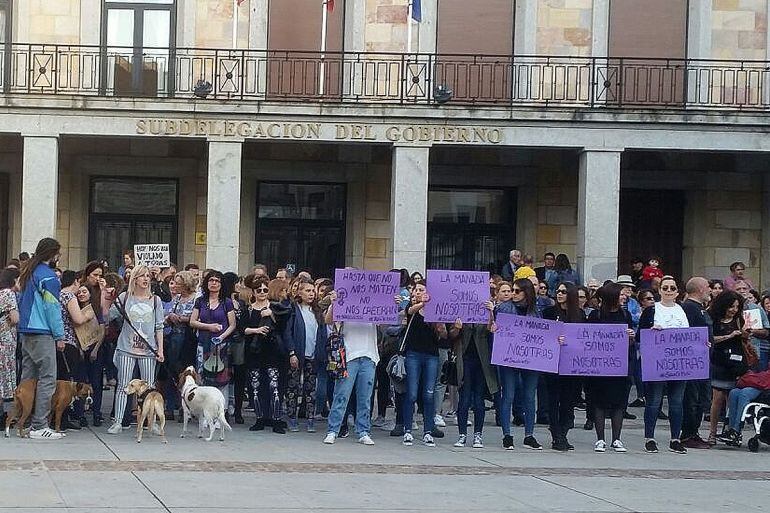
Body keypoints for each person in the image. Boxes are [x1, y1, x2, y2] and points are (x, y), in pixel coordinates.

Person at [16, 238, 66, 440]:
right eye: (58, 254)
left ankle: (23, 420)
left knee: (27, 379)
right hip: (42, 332)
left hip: (26, 331)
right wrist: (59, 335)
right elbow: (52, 308)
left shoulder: (28, 273)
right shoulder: (49, 277)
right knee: (47, 378)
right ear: (53, 254)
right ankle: (39, 425)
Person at [106, 264, 165, 434]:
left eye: (148, 276)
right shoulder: (125, 297)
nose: (146, 279)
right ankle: (118, 421)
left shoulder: (155, 300)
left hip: (148, 350)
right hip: (126, 348)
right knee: (124, 385)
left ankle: (150, 422)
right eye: (142, 276)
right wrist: (108, 300)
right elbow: (109, 315)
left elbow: (159, 326)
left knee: (149, 388)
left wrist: (160, 349)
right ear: (135, 279)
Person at [636, 276, 690, 454]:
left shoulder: (682, 310)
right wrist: (651, 332)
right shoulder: (652, 310)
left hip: (678, 363)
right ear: (659, 291)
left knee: (676, 402)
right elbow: (639, 336)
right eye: (665, 288)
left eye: (672, 288)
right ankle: (649, 438)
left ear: (677, 292)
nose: (668, 291)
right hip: (657, 363)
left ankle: (675, 438)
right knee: (654, 401)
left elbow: (691, 336)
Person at [322, 289, 379, 446]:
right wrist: (334, 303)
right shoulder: (343, 301)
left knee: (365, 397)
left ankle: (363, 430)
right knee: (341, 394)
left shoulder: (373, 301)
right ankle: (333, 429)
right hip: (348, 355)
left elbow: (385, 321)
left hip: (369, 354)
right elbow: (328, 320)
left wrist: (390, 305)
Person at [494, 278, 543, 450]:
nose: (512, 294)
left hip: (530, 359)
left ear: (526, 293)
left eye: (516, 291)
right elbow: (494, 330)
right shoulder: (503, 308)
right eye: (512, 290)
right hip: (508, 357)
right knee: (508, 395)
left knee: (530, 396)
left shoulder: (536, 312)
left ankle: (529, 435)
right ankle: (507, 435)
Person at [586, 283, 635, 452]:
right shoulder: (595, 315)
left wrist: (631, 336)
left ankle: (617, 439)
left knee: (619, 403)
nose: (624, 297)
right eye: (621, 294)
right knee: (599, 402)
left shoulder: (625, 314)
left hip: (619, 365)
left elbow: (630, 342)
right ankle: (600, 439)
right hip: (599, 367)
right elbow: (587, 339)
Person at [401, 281, 448, 447]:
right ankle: (407, 430)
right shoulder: (412, 308)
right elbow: (408, 311)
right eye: (417, 290)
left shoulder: (437, 310)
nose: (418, 292)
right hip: (413, 354)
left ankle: (428, 430)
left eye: (422, 290)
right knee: (412, 393)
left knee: (428, 394)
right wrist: (422, 302)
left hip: (431, 356)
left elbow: (443, 335)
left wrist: (441, 326)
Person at [244, 275, 289, 434]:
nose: (262, 292)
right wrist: (256, 330)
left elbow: (284, 325)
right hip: (254, 351)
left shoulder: (275, 307)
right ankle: (260, 418)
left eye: (265, 290)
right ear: (254, 292)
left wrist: (271, 315)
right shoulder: (248, 309)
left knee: (274, 385)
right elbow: (242, 329)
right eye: (259, 290)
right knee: (256, 387)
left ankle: (276, 419)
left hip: (273, 350)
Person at [542, 282, 584, 451]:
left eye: (563, 292)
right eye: (558, 291)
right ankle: (556, 435)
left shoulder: (579, 314)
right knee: (554, 400)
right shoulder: (549, 313)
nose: (559, 294)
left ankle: (564, 432)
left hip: (572, 365)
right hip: (553, 364)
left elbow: (585, 339)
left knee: (568, 401)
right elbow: (542, 335)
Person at [707, 290, 750, 445]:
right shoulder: (714, 319)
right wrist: (729, 335)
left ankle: (731, 431)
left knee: (732, 399)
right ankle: (712, 432)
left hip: (736, 363)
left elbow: (749, 336)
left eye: (737, 306)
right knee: (717, 399)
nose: (734, 310)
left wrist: (746, 334)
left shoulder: (740, 319)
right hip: (719, 361)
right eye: (731, 306)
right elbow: (710, 339)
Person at [283, 278, 327, 432]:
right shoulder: (293, 310)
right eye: (307, 291)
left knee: (310, 388)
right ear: (299, 293)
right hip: (297, 353)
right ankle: (291, 417)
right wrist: (292, 353)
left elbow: (322, 331)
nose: (311, 294)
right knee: (293, 387)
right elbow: (287, 333)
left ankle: (310, 419)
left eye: (312, 291)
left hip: (313, 355)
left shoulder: (317, 311)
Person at [677, 277, 714, 450]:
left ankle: (694, 431)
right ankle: (687, 433)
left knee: (701, 398)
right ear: (699, 289)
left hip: (703, 361)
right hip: (692, 363)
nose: (710, 290)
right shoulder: (689, 308)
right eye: (707, 287)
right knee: (692, 398)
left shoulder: (700, 309)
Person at [58, 271, 96, 430]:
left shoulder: (57, 295)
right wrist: (88, 314)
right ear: (74, 282)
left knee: (60, 380)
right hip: (68, 343)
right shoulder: (69, 297)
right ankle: (63, 418)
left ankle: (58, 416)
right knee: (67, 383)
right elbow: (78, 319)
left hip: (59, 341)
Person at [190, 270, 236, 396]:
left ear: (221, 285)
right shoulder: (200, 301)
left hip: (221, 345)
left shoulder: (227, 302)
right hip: (203, 343)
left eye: (217, 281)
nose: (214, 283)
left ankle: (223, 408)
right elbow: (192, 322)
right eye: (211, 280)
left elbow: (232, 325)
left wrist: (221, 337)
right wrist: (208, 327)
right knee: (202, 376)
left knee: (222, 378)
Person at [164, 270, 197, 418]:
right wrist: (170, 316)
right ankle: (170, 406)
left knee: (186, 372)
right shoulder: (176, 299)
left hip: (189, 338)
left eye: (178, 282)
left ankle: (186, 407)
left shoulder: (197, 298)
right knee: (172, 370)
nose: (175, 285)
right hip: (174, 336)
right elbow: (168, 313)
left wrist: (183, 319)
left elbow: (197, 316)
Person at [719, 368, 770, 445]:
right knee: (734, 393)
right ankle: (730, 429)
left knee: (744, 394)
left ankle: (736, 431)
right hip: (761, 380)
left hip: (765, 387)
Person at [734, 280, 770, 372]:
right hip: (734, 352)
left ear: (749, 290)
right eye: (738, 289)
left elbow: (766, 332)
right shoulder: (728, 308)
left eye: (744, 288)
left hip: (754, 351)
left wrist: (751, 331)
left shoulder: (757, 308)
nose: (742, 291)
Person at [0, 268, 20, 427]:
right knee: (4, 377)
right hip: (5, 341)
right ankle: (2, 416)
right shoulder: (9, 293)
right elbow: (14, 318)